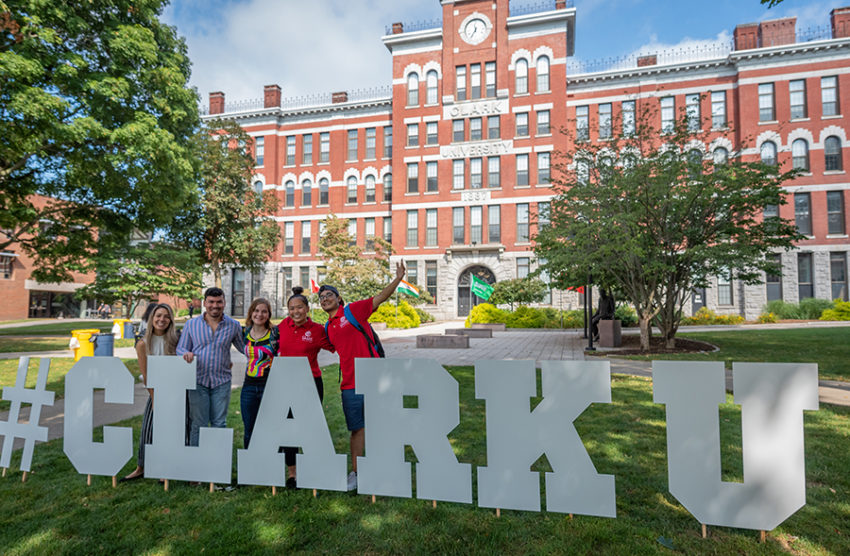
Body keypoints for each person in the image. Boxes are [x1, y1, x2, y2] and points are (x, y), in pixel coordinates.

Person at [320, 261, 406, 491]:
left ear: (339, 299)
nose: (325, 299)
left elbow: (380, 297)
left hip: (375, 379)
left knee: (382, 426)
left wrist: (398, 278)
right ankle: (357, 472)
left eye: (329, 295)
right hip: (349, 384)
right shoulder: (328, 328)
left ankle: (385, 470)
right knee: (356, 429)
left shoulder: (353, 311)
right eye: (321, 297)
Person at [277, 286, 334, 489]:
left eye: (299, 307)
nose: (296, 312)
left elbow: (336, 345)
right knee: (288, 429)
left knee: (310, 428)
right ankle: (293, 474)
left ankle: (314, 469)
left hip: (311, 383)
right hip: (285, 384)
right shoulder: (282, 326)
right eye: (292, 308)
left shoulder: (317, 330)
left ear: (307, 309)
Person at [177, 287, 245, 447]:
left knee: (219, 423)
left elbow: (245, 348)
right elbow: (181, 348)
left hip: (221, 381)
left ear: (224, 303)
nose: (215, 305)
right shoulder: (191, 324)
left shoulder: (233, 325)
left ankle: (217, 459)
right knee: (198, 424)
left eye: (219, 302)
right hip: (197, 381)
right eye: (211, 302)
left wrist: (266, 352)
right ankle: (196, 458)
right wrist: (186, 353)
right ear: (204, 303)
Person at [120, 303, 178, 482]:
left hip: (175, 391)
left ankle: (166, 467)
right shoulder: (143, 344)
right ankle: (141, 467)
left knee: (171, 431)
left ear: (171, 320)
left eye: (166, 316)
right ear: (152, 319)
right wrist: (154, 398)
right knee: (149, 429)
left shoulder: (175, 341)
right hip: (155, 391)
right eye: (158, 316)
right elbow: (146, 376)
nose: (162, 319)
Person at [240, 297, 279, 451]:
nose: (259, 314)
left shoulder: (274, 334)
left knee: (270, 427)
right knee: (249, 428)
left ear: (268, 314)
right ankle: (249, 461)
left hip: (268, 385)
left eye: (264, 311)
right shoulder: (245, 332)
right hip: (248, 386)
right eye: (256, 311)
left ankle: (270, 459)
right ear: (251, 313)